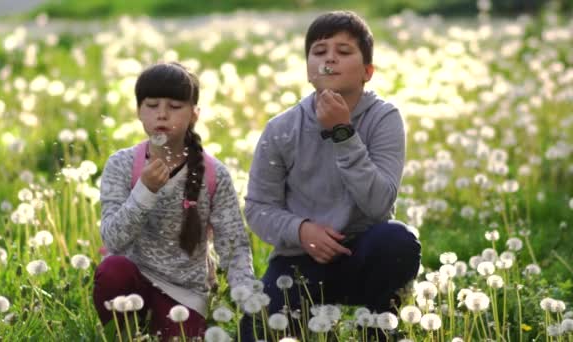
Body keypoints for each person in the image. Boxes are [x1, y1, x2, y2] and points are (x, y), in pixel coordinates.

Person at [241, 10, 421, 340]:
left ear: (367, 71)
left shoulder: (384, 119)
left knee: (398, 240)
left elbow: (380, 204)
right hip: (299, 259)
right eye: (320, 51)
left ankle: (378, 328)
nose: (330, 60)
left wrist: (342, 132)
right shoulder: (281, 129)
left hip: (364, 252)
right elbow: (257, 207)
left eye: (344, 51)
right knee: (255, 329)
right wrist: (301, 230)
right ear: (309, 70)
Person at [93, 62, 255, 340]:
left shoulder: (214, 174)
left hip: (185, 293)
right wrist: (144, 191)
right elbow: (113, 240)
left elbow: (233, 245)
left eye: (175, 106)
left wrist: (251, 305)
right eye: (152, 105)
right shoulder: (121, 165)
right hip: (132, 279)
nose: (162, 115)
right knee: (112, 269)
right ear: (138, 112)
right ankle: (123, 333)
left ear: (194, 114)